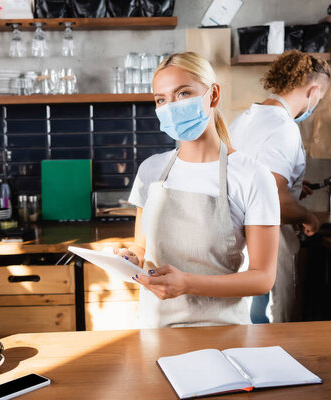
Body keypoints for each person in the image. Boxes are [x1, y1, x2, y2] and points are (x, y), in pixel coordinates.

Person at [114, 51, 281, 328]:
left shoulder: (253, 176)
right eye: (161, 99)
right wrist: (131, 257)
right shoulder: (151, 171)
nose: (171, 106)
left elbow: (263, 278)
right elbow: (141, 246)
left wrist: (189, 284)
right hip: (155, 329)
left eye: (183, 94)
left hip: (224, 333)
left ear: (213, 95)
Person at [230, 50, 331, 323]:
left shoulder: (245, 119)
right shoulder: (283, 128)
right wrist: (306, 216)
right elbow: (274, 199)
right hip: (268, 246)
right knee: (274, 332)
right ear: (314, 90)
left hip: (239, 245)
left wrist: (295, 184)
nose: (316, 105)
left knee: (247, 329)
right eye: (319, 99)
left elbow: (254, 178)